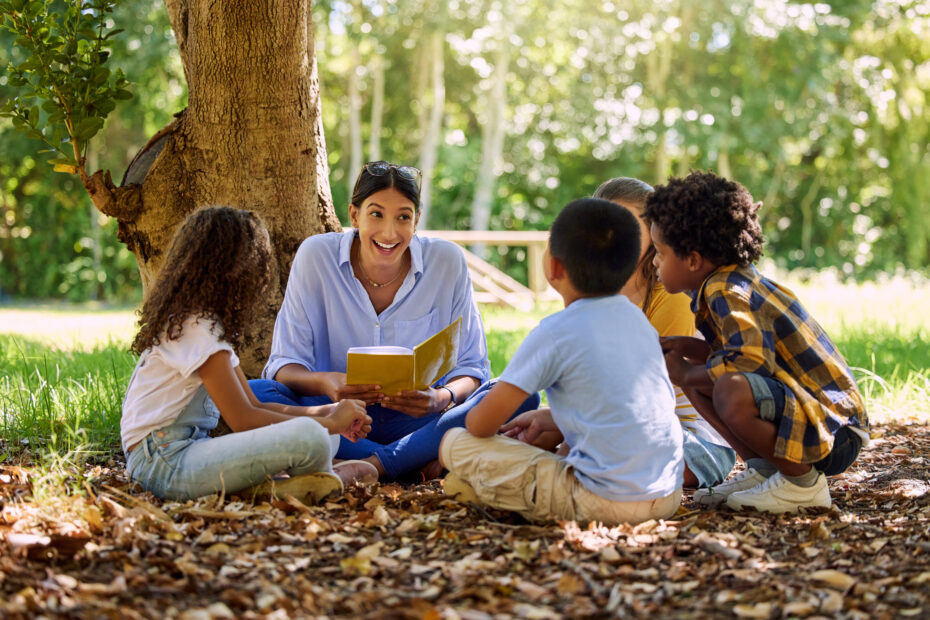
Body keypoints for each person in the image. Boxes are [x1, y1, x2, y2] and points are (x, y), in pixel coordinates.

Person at [250, 161, 539, 480]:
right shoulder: (317, 256)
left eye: (403, 217)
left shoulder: (446, 261)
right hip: (338, 417)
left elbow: (473, 368)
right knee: (257, 393)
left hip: (420, 420)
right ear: (354, 215)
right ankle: (415, 461)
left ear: (416, 221)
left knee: (521, 394)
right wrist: (329, 383)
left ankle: (374, 465)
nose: (389, 232)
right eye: (376, 214)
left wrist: (440, 398)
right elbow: (283, 366)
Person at [439, 198, 684, 525]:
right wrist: (553, 419)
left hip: (603, 502)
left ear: (554, 267)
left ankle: (498, 490)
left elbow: (479, 425)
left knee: (455, 443)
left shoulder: (555, 331)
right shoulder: (640, 322)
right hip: (669, 494)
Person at [644, 171, 870, 514]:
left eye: (659, 252)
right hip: (813, 421)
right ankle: (766, 470)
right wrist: (688, 350)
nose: (655, 262)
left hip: (831, 431)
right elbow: (747, 355)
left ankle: (802, 485)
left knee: (726, 388)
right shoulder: (723, 282)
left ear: (692, 259)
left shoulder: (727, 290)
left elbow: (748, 366)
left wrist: (688, 375)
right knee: (709, 377)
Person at [121, 206, 377, 504]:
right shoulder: (196, 329)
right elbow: (243, 419)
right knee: (314, 437)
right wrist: (330, 423)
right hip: (162, 463)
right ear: (237, 270)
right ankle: (301, 481)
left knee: (323, 436)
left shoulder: (207, 328)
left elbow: (255, 403)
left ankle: (282, 485)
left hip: (184, 453)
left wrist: (329, 414)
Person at [594, 177, 736, 489]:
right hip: (622, 425)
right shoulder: (595, 295)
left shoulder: (669, 296)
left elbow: (649, 392)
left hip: (695, 441)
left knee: (592, 440)